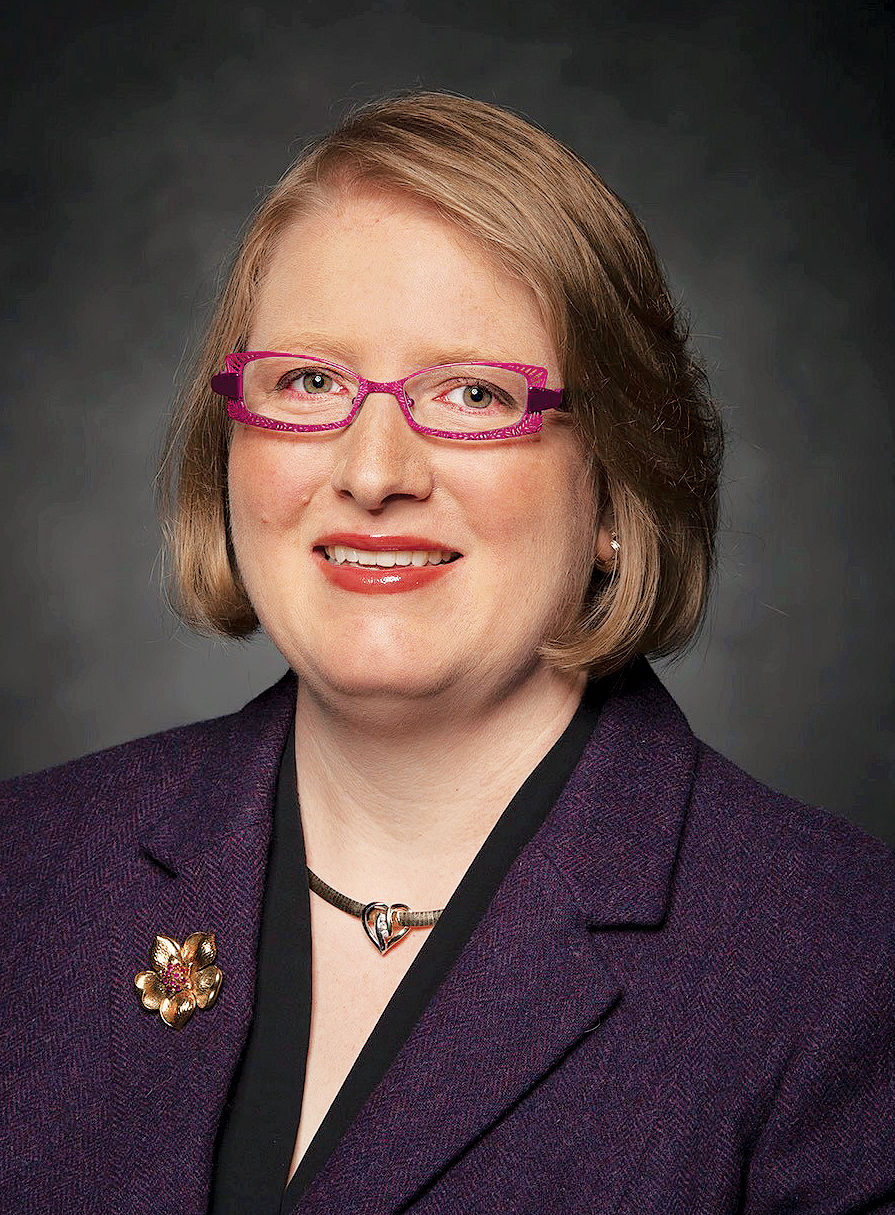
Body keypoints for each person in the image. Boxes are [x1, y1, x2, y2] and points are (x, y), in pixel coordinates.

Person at [1, 92, 893, 1215]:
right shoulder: (25, 873)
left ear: (619, 483)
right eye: (309, 382)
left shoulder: (841, 963)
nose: (374, 472)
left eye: (473, 393)